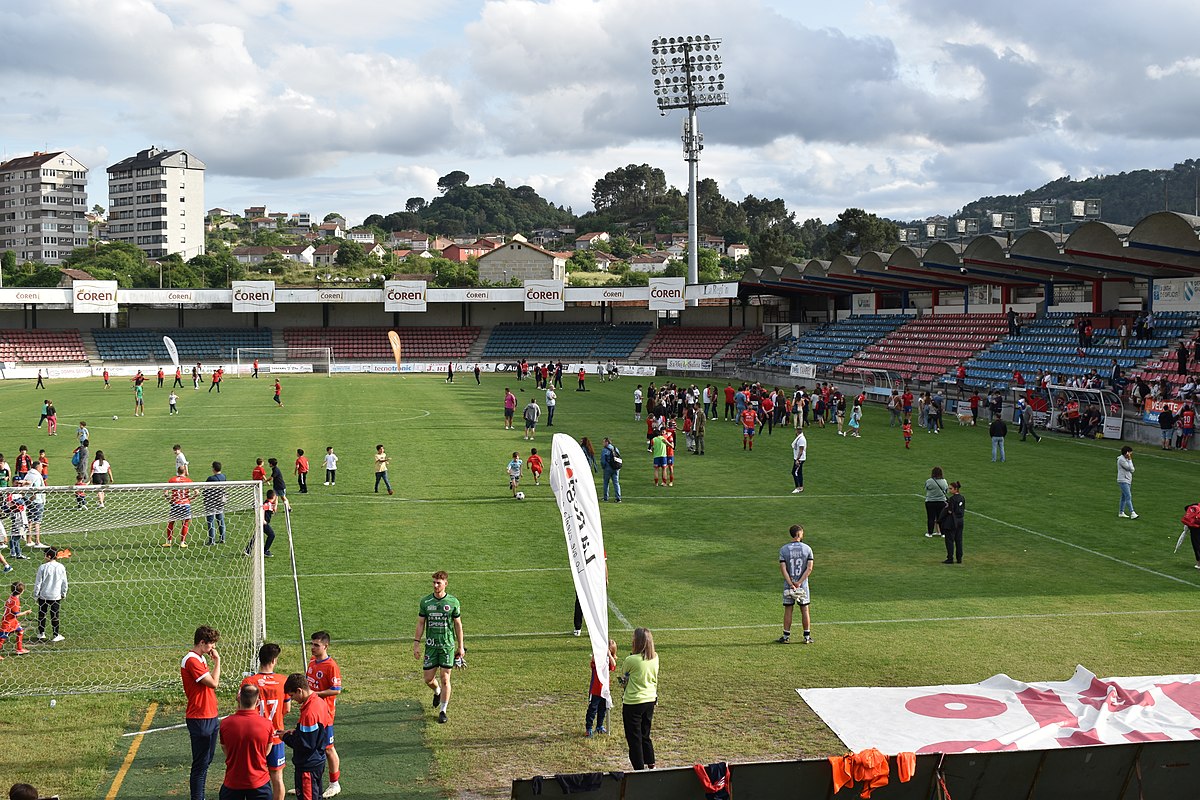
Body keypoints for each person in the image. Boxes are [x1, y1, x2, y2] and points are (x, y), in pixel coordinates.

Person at [414, 570, 464, 725]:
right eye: (434, 583)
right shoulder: (426, 602)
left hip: (447, 646)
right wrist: (416, 643)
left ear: (445, 584)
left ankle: (443, 711)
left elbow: (458, 624)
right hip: (431, 646)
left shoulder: (453, 602)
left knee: (445, 678)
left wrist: (461, 647)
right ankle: (437, 692)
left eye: (438, 583)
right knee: (428, 679)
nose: (435, 585)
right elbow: (421, 623)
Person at [182, 625, 222, 800]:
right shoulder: (192, 660)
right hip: (200, 717)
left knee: (206, 761)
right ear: (201, 642)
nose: (213, 648)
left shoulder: (200, 658)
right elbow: (213, 683)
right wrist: (218, 662)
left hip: (210, 714)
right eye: (211, 644)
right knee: (200, 764)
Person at [281, 672, 333, 800]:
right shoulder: (319, 703)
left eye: (292, 696)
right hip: (317, 761)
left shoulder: (309, 712)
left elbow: (305, 745)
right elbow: (316, 734)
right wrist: (296, 732)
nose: (293, 699)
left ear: (299, 690)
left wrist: (285, 737)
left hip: (308, 766)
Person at [220, 682, 275, 800]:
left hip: (232, 782)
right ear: (257, 701)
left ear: (239, 699)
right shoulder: (267, 724)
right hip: (259, 783)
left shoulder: (225, 723)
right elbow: (267, 750)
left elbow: (225, 748)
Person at [305, 631, 343, 797]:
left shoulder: (331, 666)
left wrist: (315, 694)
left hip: (325, 714)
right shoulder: (312, 661)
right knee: (311, 747)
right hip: (311, 712)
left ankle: (335, 784)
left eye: (316, 645)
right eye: (312, 644)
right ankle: (310, 784)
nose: (312, 648)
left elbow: (336, 690)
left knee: (328, 748)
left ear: (325, 646)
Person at [619, 627, 658, 771]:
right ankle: (651, 763)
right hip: (650, 700)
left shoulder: (631, 660)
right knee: (645, 734)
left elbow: (624, 680)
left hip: (633, 702)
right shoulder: (655, 657)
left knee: (634, 738)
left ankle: (639, 769)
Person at [777, 524, 814, 644]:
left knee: (788, 609)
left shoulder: (784, 549)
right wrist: (799, 583)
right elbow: (809, 568)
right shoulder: (807, 549)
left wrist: (791, 583)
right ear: (799, 534)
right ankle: (807, 637)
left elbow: (783, 569)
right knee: (805, 609)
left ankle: (786, 636)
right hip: (802, 586)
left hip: (789, 585)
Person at [585, 639, 618, 737]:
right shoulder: (598, 661)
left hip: (604, 690)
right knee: (592, 709)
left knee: (603, 709)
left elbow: (614, 665)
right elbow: (593, 660)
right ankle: (589, 728)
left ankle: (599, 726)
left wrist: (609, 655)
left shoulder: (608, 662)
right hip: (595, 690)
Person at [163, 466, 196, 547]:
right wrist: (190, 500)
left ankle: (169, 542)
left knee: (171, 522)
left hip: (175, 504)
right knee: (185, 523)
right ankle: (182, 542)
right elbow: (197, 492)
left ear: (177, 471)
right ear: (184, 471)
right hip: (185, 504)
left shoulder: (172, 480)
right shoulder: (188, 481)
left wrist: (170, 500)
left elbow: (166, 493)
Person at [0, 580, 31, 657]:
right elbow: (17, 614)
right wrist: (26, 612)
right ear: (22, 591)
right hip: (8, 622)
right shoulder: (15, 601)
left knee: (20, 631)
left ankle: (19, 649)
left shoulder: (12, 597)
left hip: (12, 620)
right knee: (2, 637)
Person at [244, 489, 279, 558]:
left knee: (257, 535)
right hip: (263, 523)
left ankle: (248, 550)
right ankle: (265, 550)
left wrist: (276, 501)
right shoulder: (267, 504)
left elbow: (274, 509)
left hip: (261, 522)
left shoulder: (269, 503)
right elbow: (262, 509)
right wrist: (263, 520)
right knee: (272, 535)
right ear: (274, 497)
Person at [204, 462, 228, 546]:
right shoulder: (223, 476)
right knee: (220, 520)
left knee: (211, 521)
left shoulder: (211, 478)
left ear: (213, 468)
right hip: (220, 501)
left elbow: (205, 489)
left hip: (211, 502)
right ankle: (222, 538)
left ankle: (212, 540)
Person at [941, 482, 965, 564]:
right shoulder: (962, 498)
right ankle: (959, 558)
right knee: (959, 540)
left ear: (956, 489)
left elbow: (950, 511)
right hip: (960, 520)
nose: (949, 490)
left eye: (951, 488)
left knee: (949, 540)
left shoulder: (952, 499)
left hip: (952, 521)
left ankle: (950, 558)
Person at [924, 467, 950, 538]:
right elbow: (946, 490)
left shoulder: (930, 481)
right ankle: (943, 533)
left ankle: (930, 533)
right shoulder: (944, 481)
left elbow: (926, 488)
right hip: (941, 501)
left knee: (931, 518)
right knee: (941, 517)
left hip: (930, 501)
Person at [1117, 446, 1138, 519]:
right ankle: (1132, 512)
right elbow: (1131, 469)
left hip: (1127, 480)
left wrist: (1129, 459)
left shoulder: (1125, 459)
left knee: (1123, 497)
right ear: (1127, 453)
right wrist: (1130, 460)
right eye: (1130, 453)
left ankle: (1121, 512)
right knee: (1128, 496)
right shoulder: (1122, 460)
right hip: (1123, 480)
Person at [600, 437, 622, 502]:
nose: (603, 443)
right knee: (616, 483)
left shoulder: (604, 450)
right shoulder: (615, 448)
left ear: (607, 442)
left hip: (608, 468)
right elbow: (619, 457)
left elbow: (603, 461)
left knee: (606, 483)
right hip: (615, 468)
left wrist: (603, 467)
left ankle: (606, 498)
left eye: (604, 442)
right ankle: (618, 498)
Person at [789, 427, 807, 494]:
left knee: (794, 472)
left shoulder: (801, 439)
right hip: (798, 458)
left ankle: (798, 487)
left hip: (800, 459)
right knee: (799, 472)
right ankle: (801, 487)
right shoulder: (799, 437)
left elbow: (801, 450)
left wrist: (797, 459)